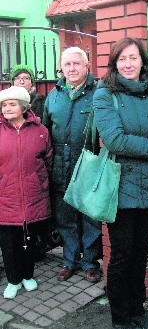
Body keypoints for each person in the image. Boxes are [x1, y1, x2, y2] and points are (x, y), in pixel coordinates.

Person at [93, 37, 148, 329]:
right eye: (122, 59)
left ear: (143, 61)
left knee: (141, 252)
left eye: (133, 58)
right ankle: (121, 315)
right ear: (114, 63)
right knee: (123, 254)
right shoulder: (105, 94)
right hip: (121, 186)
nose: (128, 64)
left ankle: (138, 309)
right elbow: (115, 140)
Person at [43, 47, 102, 283]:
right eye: (67, 64)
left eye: (76, 64)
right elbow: (45, 132)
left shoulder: (98, 93)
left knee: (89, 218)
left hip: (88, 167)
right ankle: (70, 260)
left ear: (87, 66)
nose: (72, 68)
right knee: (65, 218)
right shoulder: (54, 95)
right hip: (60, 168)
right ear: (61, 67)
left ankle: (90, 262)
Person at [0, 86, 53, 299]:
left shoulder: (40, 130)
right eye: (3, 105)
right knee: (9, 243)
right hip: (5, 195)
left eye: (11, 104)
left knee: (29, 239)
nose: (7, 108)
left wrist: (39, 182)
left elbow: (48, 159)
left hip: (33, 195)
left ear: (23, 107)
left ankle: (27, 275)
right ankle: (13, 280)